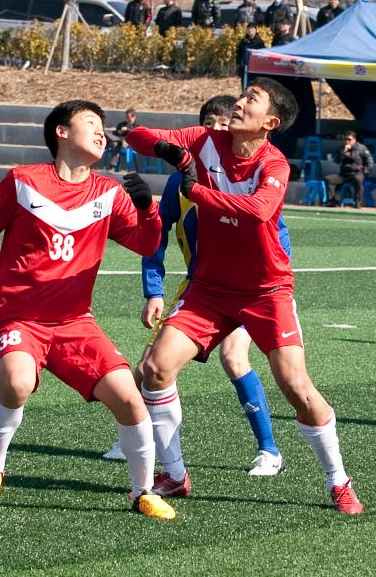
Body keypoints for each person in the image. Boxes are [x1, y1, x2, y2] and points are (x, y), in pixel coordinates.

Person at [0, 100, 176, 521]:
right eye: (91, 123)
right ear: (61, 132)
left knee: (130, 400)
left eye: (102, 126)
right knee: (17, 383)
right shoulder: (23, 181)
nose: (102, 132)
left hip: (76, 322)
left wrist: (148, 208)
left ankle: (142, 492)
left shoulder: (109, 192)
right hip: (20, 317)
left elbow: (147, 244)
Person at [125, 79, 364, 515]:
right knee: (155, 369)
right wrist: (173, 154)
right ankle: (175, 476)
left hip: (266, 290)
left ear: (270, 122)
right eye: (241, 96)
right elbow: (138, 137)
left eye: (250, 100)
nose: (238, 104)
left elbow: (257, 212)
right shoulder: (204, 140)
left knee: (295, 386)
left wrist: (194, 188)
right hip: (210, 289)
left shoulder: (274, 163)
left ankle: (338, 480)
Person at [103, 94, 288, 476]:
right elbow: (156, 236)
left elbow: (273, 232)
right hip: (203, 285)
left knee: (234, 358)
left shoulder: (252, 174)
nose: (217, 134)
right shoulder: (180, 182)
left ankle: (269, 450)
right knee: (148, 366)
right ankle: (141, 440)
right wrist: (153, 291)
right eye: (210, 127)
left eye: (222, 126)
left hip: (255, 288)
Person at [324, 130, 374, 208]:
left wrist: (365, 171)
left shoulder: (361, 148)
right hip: (344, 174)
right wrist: (343, 152)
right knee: (329, 179)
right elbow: (336, 161)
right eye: (345, 139)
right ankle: (333, 201)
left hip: (357, 173)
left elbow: (370, 161)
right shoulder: (341, 148)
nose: (347, 141)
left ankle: (358, 202)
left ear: (354, 139)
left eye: (349, 139)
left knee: (358, 179)